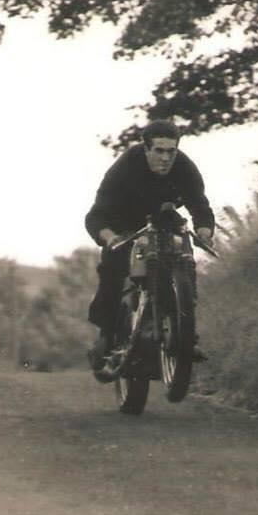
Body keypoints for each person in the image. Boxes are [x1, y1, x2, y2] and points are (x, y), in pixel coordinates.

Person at [84, 119, 215, 379]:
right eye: (159, 151)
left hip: (163, 221)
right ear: (146, 149)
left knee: (184, 258)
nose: (166, 158)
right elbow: (96, 215)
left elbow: (200, 207)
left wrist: (204, 232)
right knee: (113, 269)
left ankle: (186, 333)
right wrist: (110, 238)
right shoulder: (125, 167)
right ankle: (107, 337)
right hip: (123, 224)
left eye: (171, 151)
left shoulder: (185, 167)